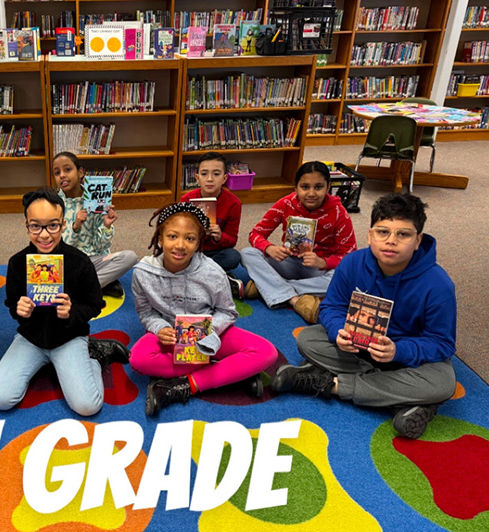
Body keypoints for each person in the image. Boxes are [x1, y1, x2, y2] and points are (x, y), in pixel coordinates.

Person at [272, 193, 456, 439]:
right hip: (358, 350)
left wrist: (398, 351)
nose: (391, 241)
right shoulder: (352, 263)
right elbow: (331, 307)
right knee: (308, 339)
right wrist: (339, 331)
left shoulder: (439, 284)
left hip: (405, 356)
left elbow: (442, 343)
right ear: (370, 235)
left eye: (403, 234)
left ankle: (329, 384)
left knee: (442, 382)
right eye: (383, 232)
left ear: (417, 240)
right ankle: (406, 401)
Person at [0, 187, 130, 416]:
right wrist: (19, 309)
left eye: (52, 225)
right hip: (31, 339)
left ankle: (94, 356)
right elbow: (11, 303)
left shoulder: (80, 262)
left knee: (88, 406)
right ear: (27, 226)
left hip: (69, 338)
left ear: (63, 225)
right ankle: (50, 361)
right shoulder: (17, 262)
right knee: (0, 398)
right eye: (36, 226)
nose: (44, 234)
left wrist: (71, 312)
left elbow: (95, 304)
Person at [131, 202, 278, 416]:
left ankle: (187, 384)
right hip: (170, 336)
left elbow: (228, 312)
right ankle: (230, 372)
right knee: (138, 359)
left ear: (199, 242)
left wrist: (208, 334)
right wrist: (160, 327)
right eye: (172, 236)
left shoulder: (212, 272)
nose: (180, 245)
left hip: (207, 335)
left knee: (266, 352)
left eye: (189, 239)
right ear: (160, 238)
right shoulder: (143, 273)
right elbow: (145, 313)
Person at [240, 161, 357, 324]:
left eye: (318, 187)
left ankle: (266, 287)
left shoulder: (339, 213)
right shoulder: (285, 204)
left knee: (349, 277)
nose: (311, 193)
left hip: (318, 270)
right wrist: (269, 248)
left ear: (328, 187)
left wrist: (323, 262)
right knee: (247, 253)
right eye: (305, 187)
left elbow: (350, 256)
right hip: (288, 261)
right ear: (295, 187)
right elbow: (255, 233)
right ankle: (292, 296)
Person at [52, 152, 138, 298]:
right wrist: (75, 227)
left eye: (67, 170)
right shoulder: (53, 203)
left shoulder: (96, 198)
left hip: (94, 259)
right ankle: (101, 284)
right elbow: (54, 244)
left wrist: (106, 226)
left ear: (80, 172)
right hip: (68, 261)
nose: (62, 175)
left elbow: (101, 247)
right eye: (57, 172)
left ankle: (85, 287)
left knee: (130, 257)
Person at [180, 151, 244, 294]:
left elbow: (232, 240)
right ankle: (217, 279)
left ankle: (193, 278)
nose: (209, 179)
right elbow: (178, 232)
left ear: (224, 178)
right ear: (197, 177)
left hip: (216, 252)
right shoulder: (186, 200)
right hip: (192, 251)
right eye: (204, 174)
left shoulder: (234, 203)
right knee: (168, 255)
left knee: (233, 256)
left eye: (216, 174)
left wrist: (219, 236)